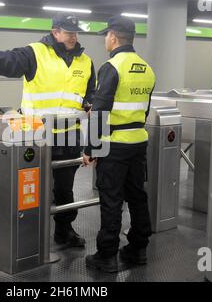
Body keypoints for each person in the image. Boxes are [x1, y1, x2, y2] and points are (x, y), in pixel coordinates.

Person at [0, 13, 96, 248]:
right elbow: (12, 60)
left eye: (76, 32)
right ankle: (29, 231)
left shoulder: (86, 62)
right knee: (31, 185)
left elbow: (89, 94)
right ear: (55, 32)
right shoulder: (36, 52)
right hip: (37, 135)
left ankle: (64, 230)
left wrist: (89, 103)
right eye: (68, 31)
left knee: (65, 188)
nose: (73, 36)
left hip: (69, 136)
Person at [82, 15, 156, 272]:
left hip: (115, 144)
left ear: (113, 36)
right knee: (137, 195)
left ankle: (107, 255)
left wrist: (90, 149)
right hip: (138, 140)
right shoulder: (146, 68)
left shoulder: (112, 66)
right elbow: (144, 109)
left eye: (106, 35)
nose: (105, 39)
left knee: (112, 199)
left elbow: (100, 110)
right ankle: (138, 247)